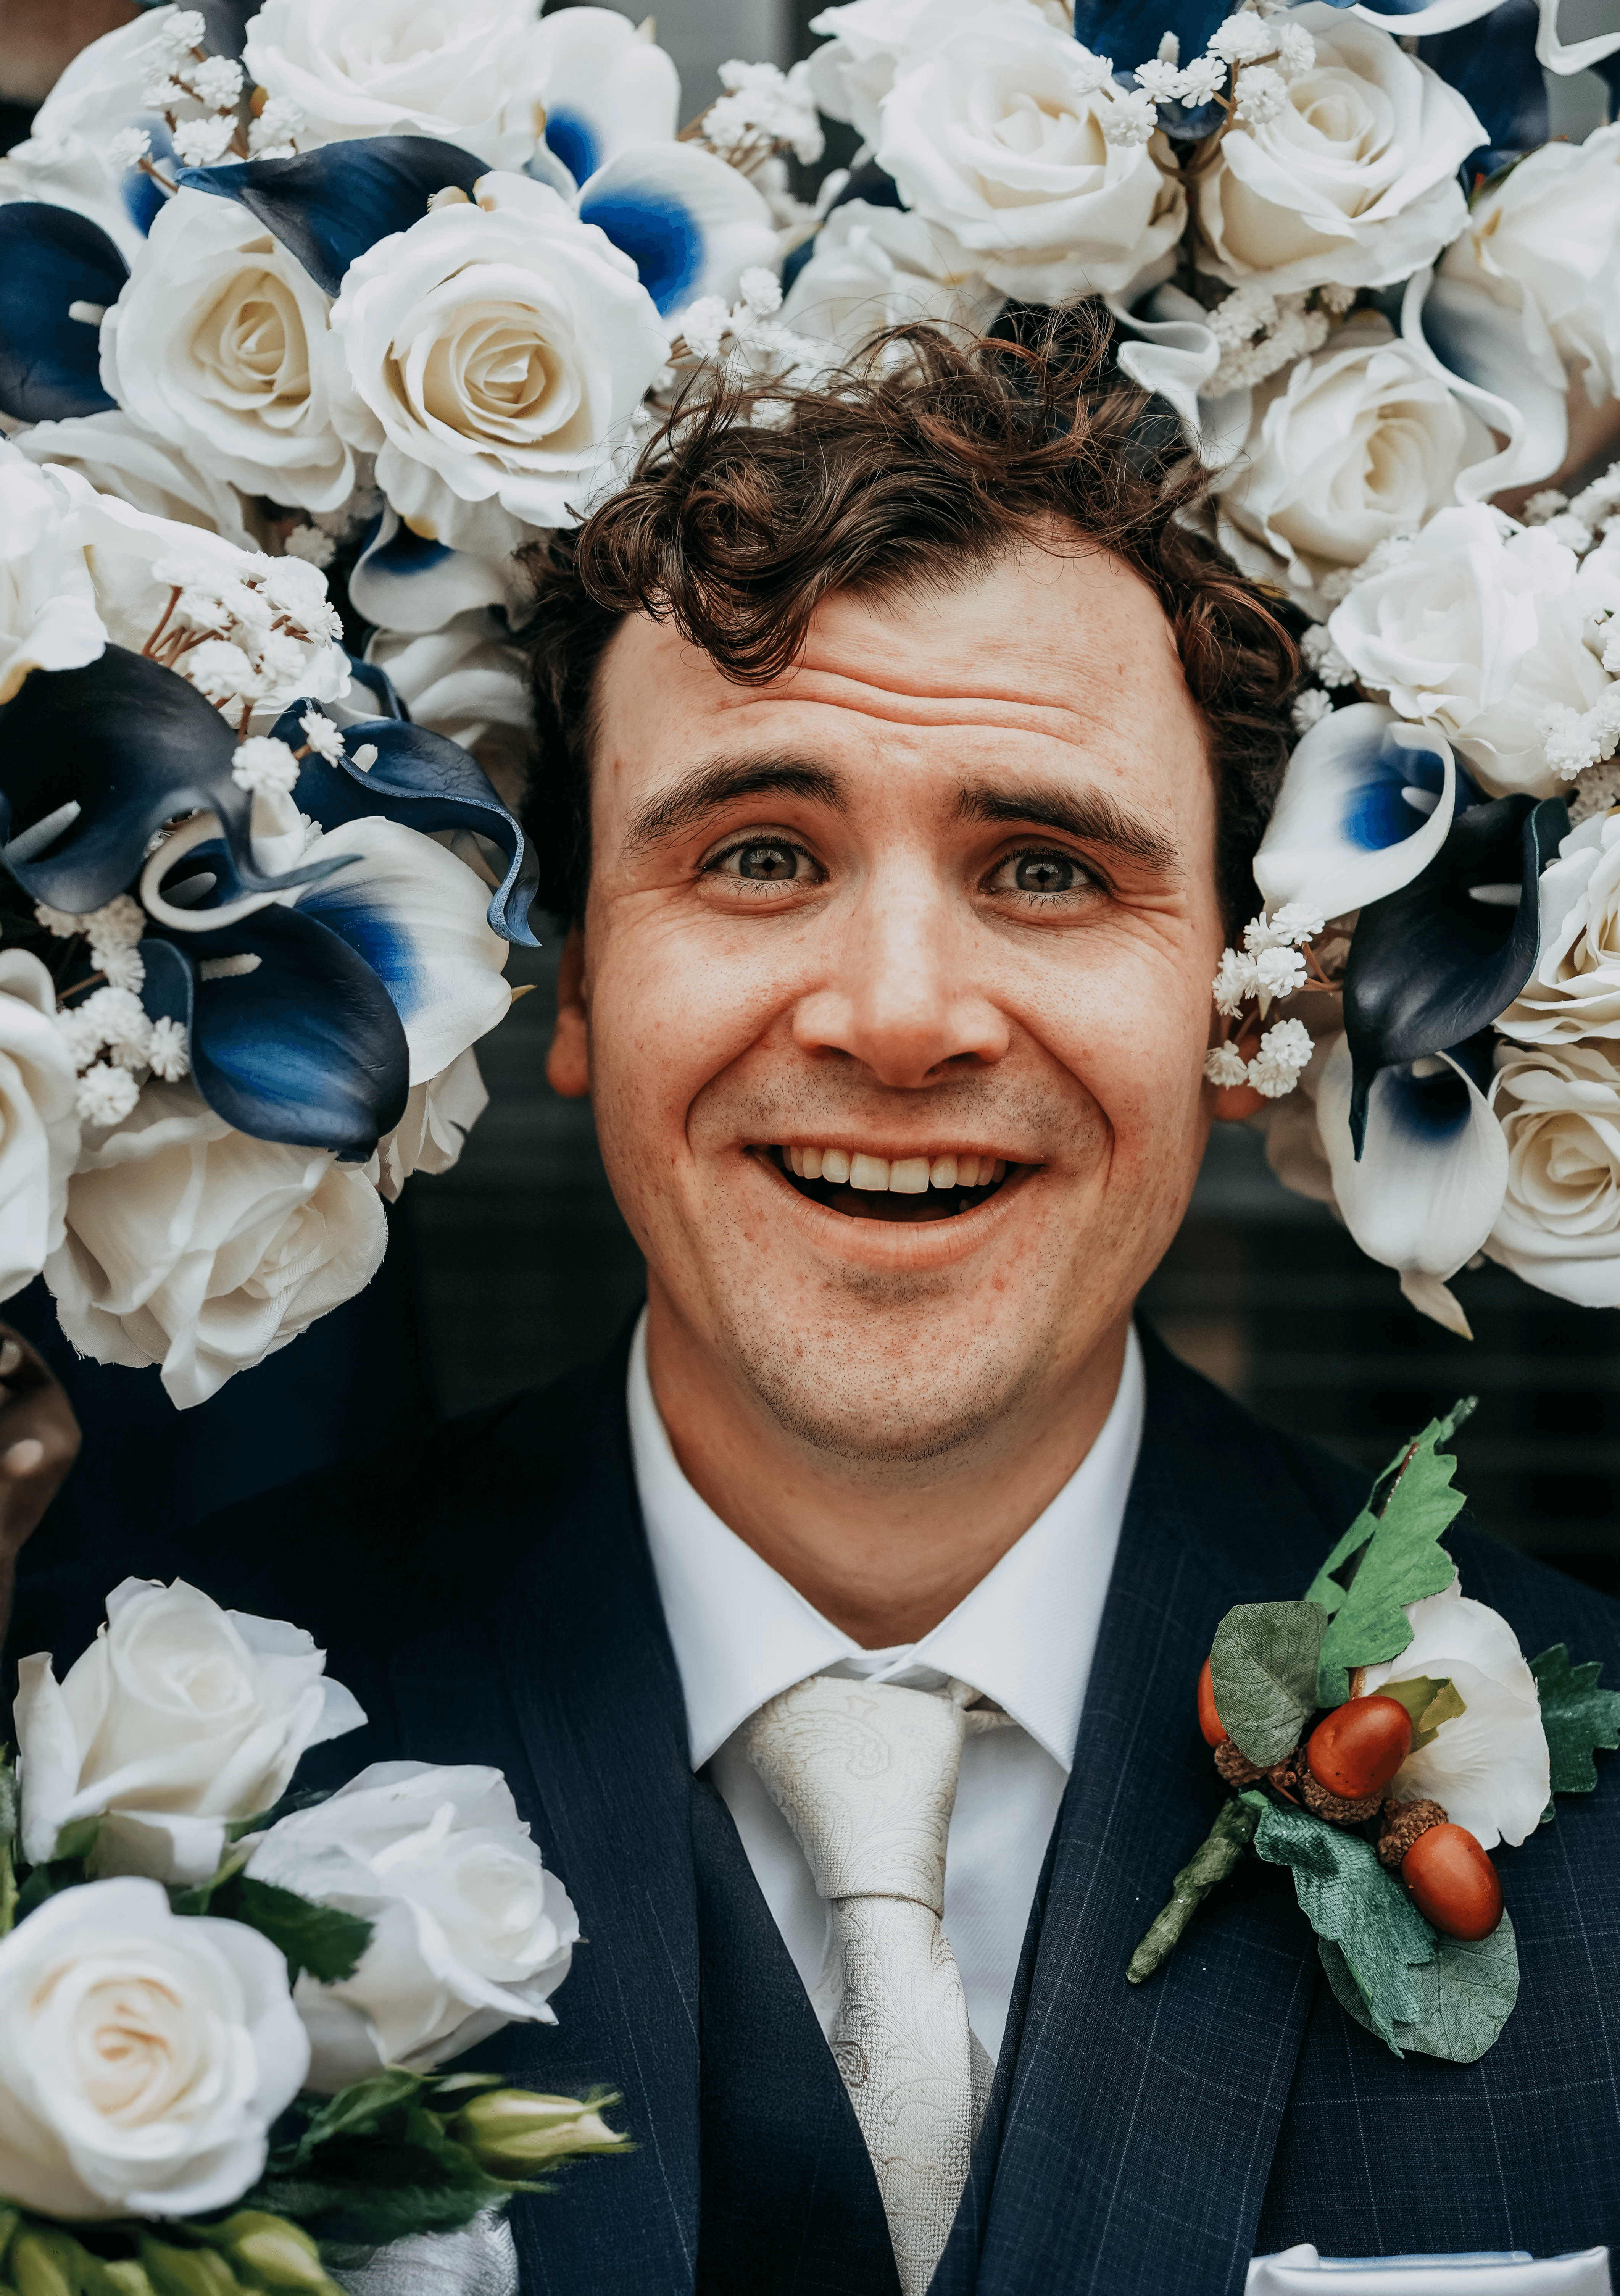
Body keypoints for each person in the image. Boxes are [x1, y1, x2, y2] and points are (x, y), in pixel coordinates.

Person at [11, 326, 1620, 2295]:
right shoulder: (106, 1772)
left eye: (1046, 870)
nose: (900, 1018)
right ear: (575, 987)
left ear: (1240, 1007)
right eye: (759, 856)